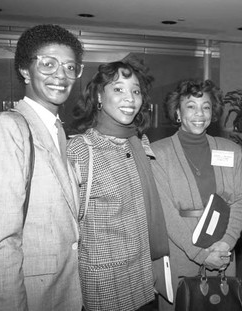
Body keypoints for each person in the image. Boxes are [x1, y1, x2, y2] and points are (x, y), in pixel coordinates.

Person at [0, 24, 84, 310]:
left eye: (70, 66)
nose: (61, 75)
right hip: (26, 295)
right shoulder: (5, 128)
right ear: (25, 71)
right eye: (48, 64)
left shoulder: (56, 131)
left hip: (62, 292)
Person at [67, 58, 169, 311]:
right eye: (118, 89)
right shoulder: (80, 150)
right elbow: (64, 225)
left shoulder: (139, 144)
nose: (130, 98)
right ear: (99, 96)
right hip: (105, 279)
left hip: (144, 273)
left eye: (135, 91)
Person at [150, 79, 242, 310]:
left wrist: (226, 243)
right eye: (191, 106)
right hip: (179, 250)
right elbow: (164, 212)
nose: (199, 113)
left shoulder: (230, 150)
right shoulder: (157, 153)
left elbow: (241, 199)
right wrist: (200, 253)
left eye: (205, 106)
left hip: (222, 248)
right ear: (177, 111)